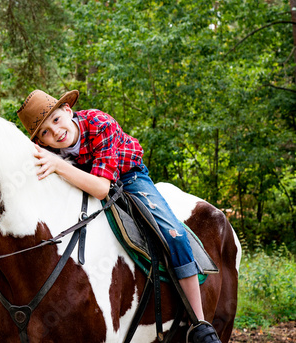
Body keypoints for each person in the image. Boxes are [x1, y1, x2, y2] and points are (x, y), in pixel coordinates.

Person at [17, 89, 222, 343]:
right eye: (45, 132)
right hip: (80, 182)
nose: (55, 132)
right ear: (42, 142)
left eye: (56, 120)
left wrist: (58, 165)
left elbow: (103, 188)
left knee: (174, 234)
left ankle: (199, 323)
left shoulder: (99, 123)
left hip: (128, 176)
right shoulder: (43, 150)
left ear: (67, 111)